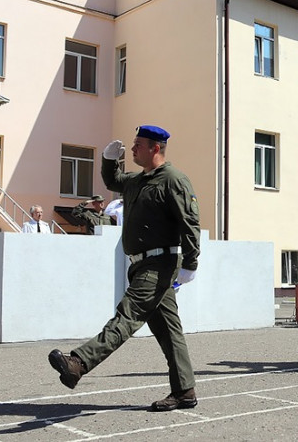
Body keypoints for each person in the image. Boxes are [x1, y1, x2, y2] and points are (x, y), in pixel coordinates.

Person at [48, 125, 201, 412]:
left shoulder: (173, 179)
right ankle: (184, 391)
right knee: (170, 333)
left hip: (159, 265)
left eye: (137, 145)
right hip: (140, 264)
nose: (132, 149)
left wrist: (190, 263)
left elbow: (189, 222)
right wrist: (108, 159)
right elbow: (112, 179)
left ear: (155, 148)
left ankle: (78, 363)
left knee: (126, 315)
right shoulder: (135, 180)